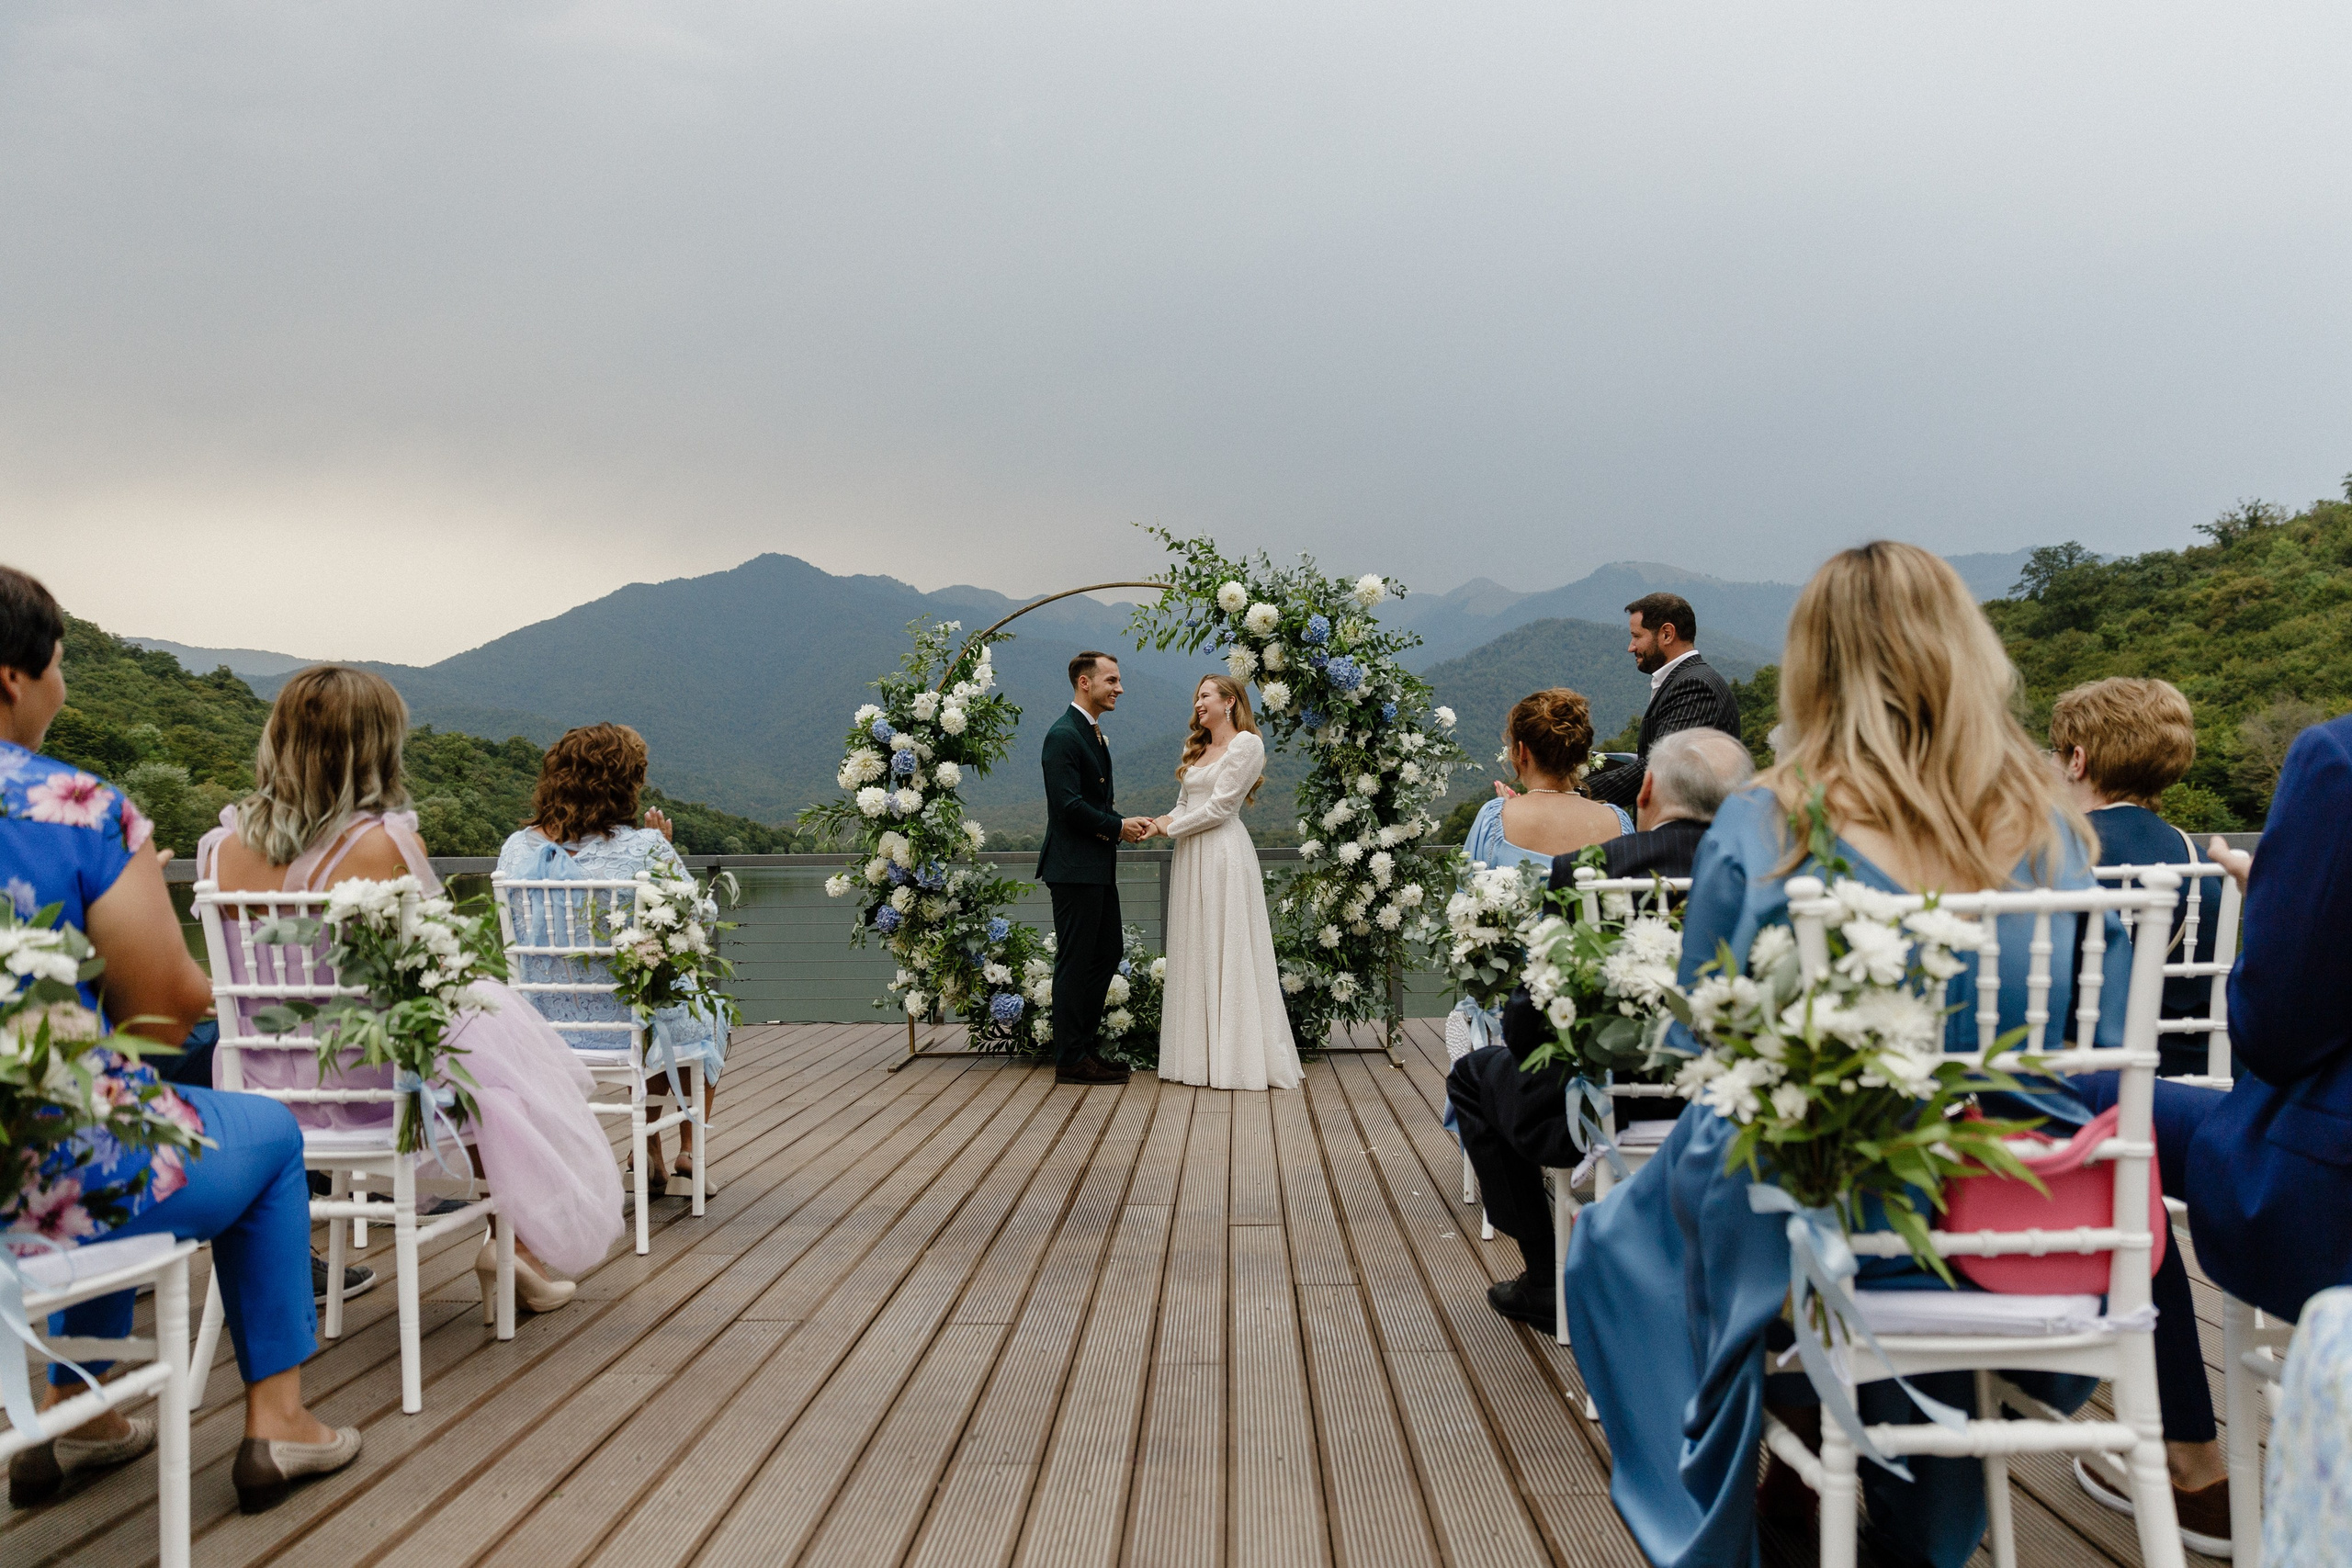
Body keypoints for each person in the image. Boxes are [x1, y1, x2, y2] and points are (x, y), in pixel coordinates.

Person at [1563, 542, 2148, 1568]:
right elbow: (2079, 1037)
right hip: (2016, 1202)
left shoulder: (1771, 818)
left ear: (1814, 667)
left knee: (1615, 1243)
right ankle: (1907, 1516)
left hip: (1822, 1205)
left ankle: (1731, 1516)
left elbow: (1707, 1027)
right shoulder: (2050, 829)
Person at [0, 565, 360, 1514]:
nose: (62, 685)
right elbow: (163, 1012)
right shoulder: (73, 808)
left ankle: (79, 1409)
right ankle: (279, 1421)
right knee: (255, 1132)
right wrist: (124, 905)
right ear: (12, 678)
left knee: (116, 1114)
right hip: (35, 1169)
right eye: (60, 665)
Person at [199, 666, 623, 1315]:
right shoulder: (382, 844)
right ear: (376, 747)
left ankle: (512, 1250)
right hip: (367, 1085)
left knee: (494, 1063)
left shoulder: (218, 848)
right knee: (500, 1070)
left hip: (257, 1086)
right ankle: (513, 1248)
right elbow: (431, 969)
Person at [1453, 726, 1754, 1327]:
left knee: (1474, 1075)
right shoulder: (1766, 875)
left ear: (1646, 790)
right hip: (1744, 1106)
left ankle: (1545, 1278)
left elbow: (1530, 1018)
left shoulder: (1591, 871)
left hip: (1607, 1108)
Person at [494, 723, 723, 1196]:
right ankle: (687, 1150)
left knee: (661, 1000)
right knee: (697, 1006)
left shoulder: (515, 848)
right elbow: (699, 917)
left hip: (541, 1024)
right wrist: (664, 848)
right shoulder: (644, 846)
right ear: (623, 784)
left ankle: (650, 1155)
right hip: (624, 1024)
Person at [2049, 676, 2222, 1076]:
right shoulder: (2199, 860)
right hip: (2190, 1074)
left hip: (2088, 1075)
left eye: (2055, 753)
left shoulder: (2053, 852)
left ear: (2077, 761)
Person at [1150, 675, 1302, 1091]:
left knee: (1227, 942)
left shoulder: (1246, 745)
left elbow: (1220, 808)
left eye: (1205, 696)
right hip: (1190, 856)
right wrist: (1158, 822)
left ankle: (1236, 1058)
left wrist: (1170, 829)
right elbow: (1184, 803)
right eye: (1196, 697)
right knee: (1195, 944)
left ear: (1230, 701)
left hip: (1222, 853)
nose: (1198, 704)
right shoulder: (1197, 748)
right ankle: (1197, 1059)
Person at [1037, 651, 1153, 1087]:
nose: (1119, 688)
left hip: (1095, 866)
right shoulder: (1062, 735)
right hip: (1073, 868)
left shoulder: (1090, 733)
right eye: (1112, 680)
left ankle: (1083, 1049)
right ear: (1085, 683)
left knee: (1106, 952)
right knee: (1075, 960)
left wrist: (1122, 822)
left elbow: (1094, 802)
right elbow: (1068, 806)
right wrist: (1117, 827)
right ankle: (1070, 1059)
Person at [1584, 591, 1743, 811]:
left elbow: (1661, 768)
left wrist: (1576, 794)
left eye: (1637, 636)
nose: (1631, 647)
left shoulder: (1695, 687)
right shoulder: (1685, 680)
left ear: (1667, 634)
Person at [1461, 689, 1631, 871]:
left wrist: (1507, 811)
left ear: (1522, 751)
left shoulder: (1494, 821)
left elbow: (1467, 885)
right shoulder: (1618, 822)